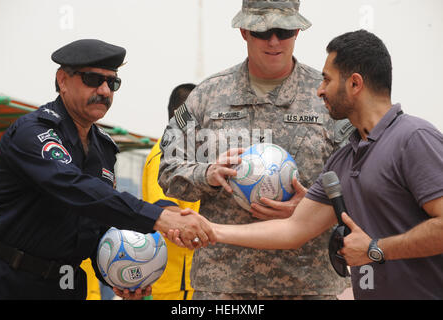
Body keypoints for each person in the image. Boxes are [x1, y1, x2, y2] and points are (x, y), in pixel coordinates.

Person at [180, 30, 443, 300]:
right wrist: (212, 229)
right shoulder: (344, 159)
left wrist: (376, 248)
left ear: (354, 84)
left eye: (327, 80)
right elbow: (293, 229)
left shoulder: (413, 138)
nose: (319, 90)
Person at [158, 0, 353, 300]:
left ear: (298, 30)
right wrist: (207, 174)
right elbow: (168, 170)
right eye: (263, 31)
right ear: (244, 31)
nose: (274, 41)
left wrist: (312, 205)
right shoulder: (207, 96)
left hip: (309, 284)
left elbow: (361, 179)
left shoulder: (328, 96)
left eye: (284, 30)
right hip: (224, 287)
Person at [0, 39, 215, 299]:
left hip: (68, 287)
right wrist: (159, 217)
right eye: (92, 79)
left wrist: (116, 274)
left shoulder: (103, 148)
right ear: (62, 80)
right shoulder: (34, 132)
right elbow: (74, 188)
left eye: (112, 83)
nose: (105, 91)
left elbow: (94, 224)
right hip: (12, 283)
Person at [142, 83, 198, 300]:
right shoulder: (164, 156)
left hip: (194, 283)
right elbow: (168, 215)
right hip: (176, 285)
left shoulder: (193, 156)